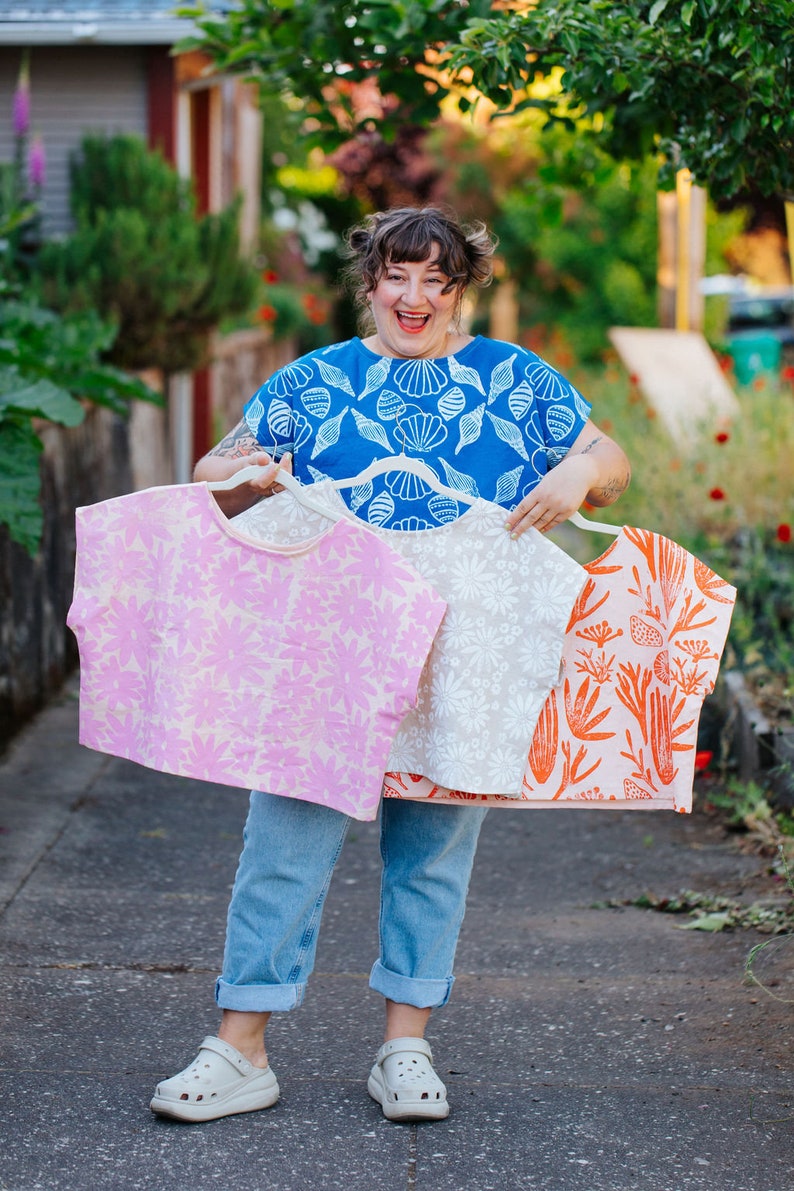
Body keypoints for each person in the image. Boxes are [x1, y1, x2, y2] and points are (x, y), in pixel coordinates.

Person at [149, 206, 631, 1124]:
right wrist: (247, 473)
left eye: (436, 281)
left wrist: (581, 473)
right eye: (397, 277)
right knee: (282, 847)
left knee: (432, 854)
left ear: (461, 290)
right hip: (325, 650)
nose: (415, 297)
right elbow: (216, 468)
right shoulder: (316, 381)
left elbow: (607, 457)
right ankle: (240, 1048)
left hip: (462, 654)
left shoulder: (514, 380)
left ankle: (405, 1047)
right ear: (369, 283)